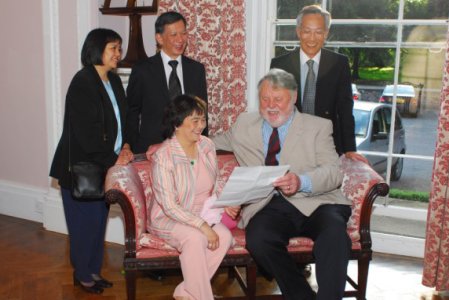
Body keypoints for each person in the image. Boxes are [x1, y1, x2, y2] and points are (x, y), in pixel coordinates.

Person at [212, 68, 352, 300]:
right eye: (265, 99)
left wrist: (301, 181)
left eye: (278, 99)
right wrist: (173, 142)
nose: (270, 105)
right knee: (258, 239)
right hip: (270, 206)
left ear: (294, 97)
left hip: (317, 202)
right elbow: (212, 142)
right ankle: (301, 295)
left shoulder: (318, 126)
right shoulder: (244, 124)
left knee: (335, 236)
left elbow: (333, 172)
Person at [50, 28, 134, 294]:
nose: (118, 54)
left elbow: (124, 120)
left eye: (119, 48)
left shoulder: (114, 81)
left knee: (98, 222)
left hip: (105, 165)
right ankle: (83, 274)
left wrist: (128, 146)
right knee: (84, 225)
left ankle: (93, 271)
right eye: (113, 48)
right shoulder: (82, 82)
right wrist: (115, 159)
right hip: (82, 166)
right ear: (96, 49)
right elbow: (88, 135)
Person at [148, 95, 237, 300]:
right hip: (169, 217)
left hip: (203, 212)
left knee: (224, 237)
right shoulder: (164, 156)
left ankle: (186, 292)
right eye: (194, 121)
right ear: (177, 124)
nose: (201, 126)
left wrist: (226, 202)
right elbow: (169, 206)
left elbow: (216, 181)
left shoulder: (206, 145)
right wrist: (203, 226)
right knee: (195, 238)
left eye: (203, 120)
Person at [270, 5, 367, 163]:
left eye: (318, 32)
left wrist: (350, 149)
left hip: (328, 144)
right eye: (307, 31)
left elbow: (345, 109)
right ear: (298, 31)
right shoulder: (280, 64)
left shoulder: (339, 64)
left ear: (326, 34)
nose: (312, 38)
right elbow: (274, 109)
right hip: (289, 144)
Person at [126, 11, 208, 154]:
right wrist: (133, 148)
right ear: (160, 38)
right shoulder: (142, 70)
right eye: (174, 35)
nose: (180, 39)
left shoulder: (196, 70)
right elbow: (131, 113)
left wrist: (202, 146)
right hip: (151, 149)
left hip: (188, 149)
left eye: (183, 34)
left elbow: (202, 110)